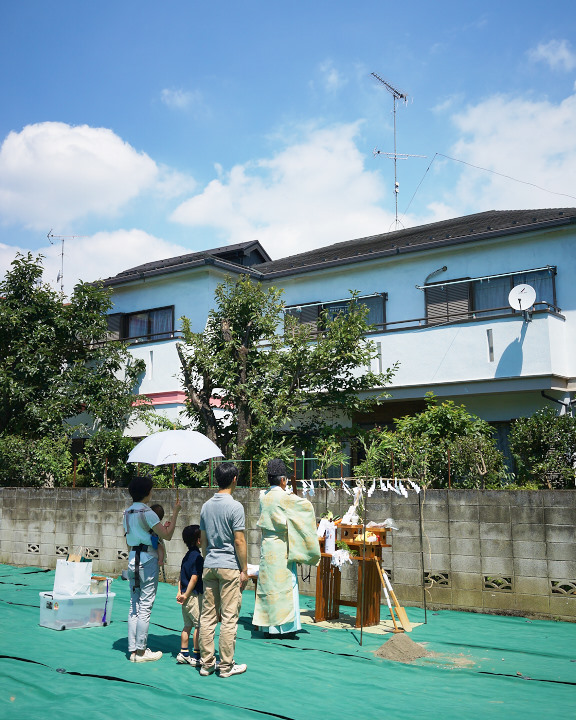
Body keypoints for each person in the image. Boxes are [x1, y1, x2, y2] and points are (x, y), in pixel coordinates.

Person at [252, 459, 321, 635]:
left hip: (267, 545)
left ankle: (268, 626)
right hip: (281, 545)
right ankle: (286, 627)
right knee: (286, 586)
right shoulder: (285, 497)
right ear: (283, 480)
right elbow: (306, 508)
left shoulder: (263, 496)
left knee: (269, 587)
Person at [123, 476, 181, 662]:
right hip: (147, 559)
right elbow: (167, 535)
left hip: (132, 557)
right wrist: (175, 513)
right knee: (145, 606)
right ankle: (141, 651)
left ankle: (133, 650)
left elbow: (128, 538)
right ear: (148, 492)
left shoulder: (127, 512)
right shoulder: (147, 512)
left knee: (134, 605)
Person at [199, 462, 248, 678]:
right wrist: (244, 569)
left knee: (207, 616)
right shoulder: (235, 506)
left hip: (209, 563)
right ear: (235, 479)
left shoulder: (206, 506)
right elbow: (239, 541)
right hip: (229, 566)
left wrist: (207, 557)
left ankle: (206, 663)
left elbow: (202, 540)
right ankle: (226, 666)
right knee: (229, 617)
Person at [176, 524, 204, 666]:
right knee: (198, 625)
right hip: (193, 596)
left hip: (184, 596)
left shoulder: (186, 557)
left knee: (187, 625)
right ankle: (196, 655)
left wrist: (180, 592)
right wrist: (186, 594)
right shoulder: (198, 557)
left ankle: (184, 652)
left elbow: (181, 577)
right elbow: (194, 578)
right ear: (199, 540)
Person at [149, 503, 169, 567]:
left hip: (153, 541)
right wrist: (165, 527)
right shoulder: (155, 523)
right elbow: (161, 533)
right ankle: (161, 560)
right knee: (160, 547)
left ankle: (160, 560)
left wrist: (165, 527)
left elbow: (160, 534)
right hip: (153, 541)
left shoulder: (151, 521)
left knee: (160, 547)